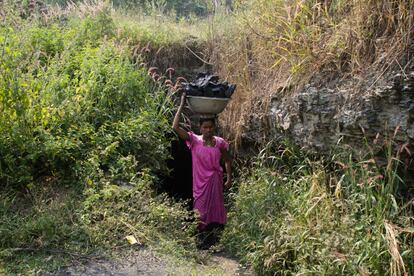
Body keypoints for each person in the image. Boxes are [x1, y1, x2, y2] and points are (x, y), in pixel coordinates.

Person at [172, 92, 232, 249]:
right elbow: (175, 127)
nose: (208, 130)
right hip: (200, 185)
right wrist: (182, 104)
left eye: (211, 127)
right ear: (200, 128)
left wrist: (229, 178)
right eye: (205, 127)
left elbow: (227, 159)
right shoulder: (194, 141)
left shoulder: (220, 143)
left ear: (214, 127)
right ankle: (200, 241)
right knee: (200, 211)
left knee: (216, 210)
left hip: (215, 182)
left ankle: (214, 241)